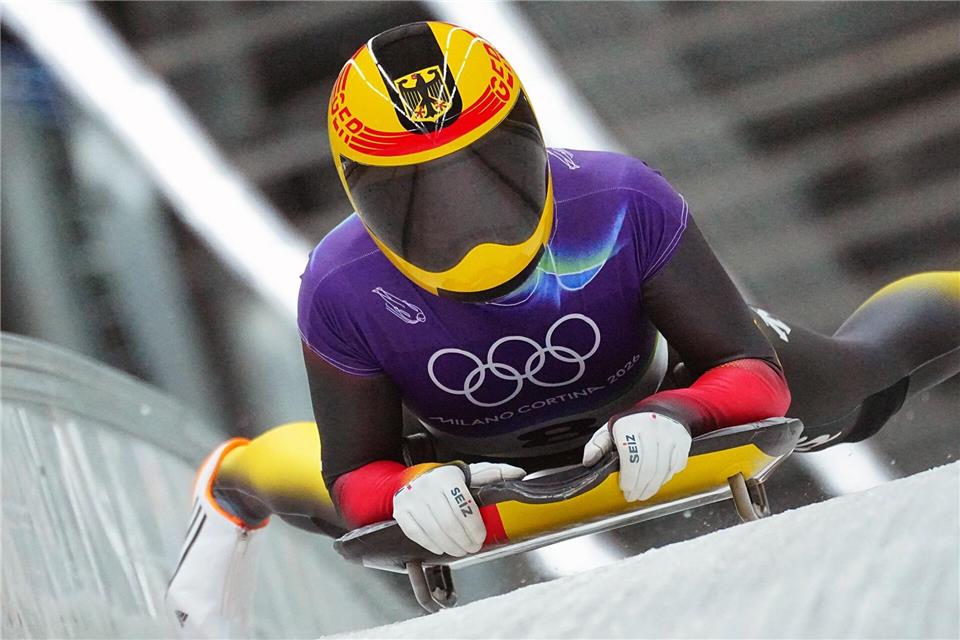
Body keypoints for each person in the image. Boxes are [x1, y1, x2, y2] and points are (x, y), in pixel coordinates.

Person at [165, 21, 960, 637]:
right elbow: (353, 472)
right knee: (347, 501)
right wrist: (401, 491)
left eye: (486, 173)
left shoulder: (621, 200)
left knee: (860, 384)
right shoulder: (341, 286)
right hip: (451, 458)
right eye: (419, 198)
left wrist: (682, 409)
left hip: (658, 390)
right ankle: (232, 485)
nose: (468, 226)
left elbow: (748, 370)